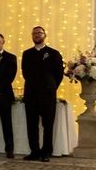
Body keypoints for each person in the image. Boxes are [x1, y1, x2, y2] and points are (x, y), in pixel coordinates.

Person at [21, 26, 64, 162]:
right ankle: (34, 151)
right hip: (31, 95)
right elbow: (25, 73)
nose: (36, 35)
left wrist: (50, 87)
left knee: (48, 125)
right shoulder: (27, 54)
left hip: (47, 95)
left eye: (39, 33)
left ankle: (46, 152)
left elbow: (59, 74)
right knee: (32, 125)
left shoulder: (54, 53)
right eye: (34, 33)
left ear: (45, 35)